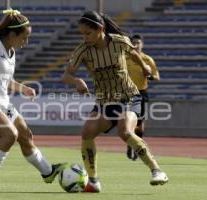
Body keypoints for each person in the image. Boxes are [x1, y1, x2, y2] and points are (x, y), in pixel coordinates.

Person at [62, 11, 168, 193]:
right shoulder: (83, 50)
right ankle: (93, 181)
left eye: (88, 33)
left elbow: (135, 55)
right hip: (105, 101)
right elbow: (66, 74)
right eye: (82, 34)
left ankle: (157, 170)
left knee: (124, 130)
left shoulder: (119, 41)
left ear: (100, 29)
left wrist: (145, 68)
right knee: (87, 132)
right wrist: (77, 81)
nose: (84, 37)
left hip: (129, 97)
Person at [0, 7, 66, 195]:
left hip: (3, 102)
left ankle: (48, 172)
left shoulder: (12, 52)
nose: (26, 42)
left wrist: (23, 88)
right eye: (24, 37)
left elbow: (5, 80)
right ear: (12, 34)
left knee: (25, 135)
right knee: (10, 135)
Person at [126, 34, 160, 161]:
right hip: (127, 93)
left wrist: (149, 76)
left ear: (142, 44)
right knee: (127, 121)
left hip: (141, 92)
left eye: (138, 42)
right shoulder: (126, 58)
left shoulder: (147, 60)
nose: (136, 45)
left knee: (139, 124)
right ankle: (132, 144)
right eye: (134, 42)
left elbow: (157, 76)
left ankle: (134, 146)